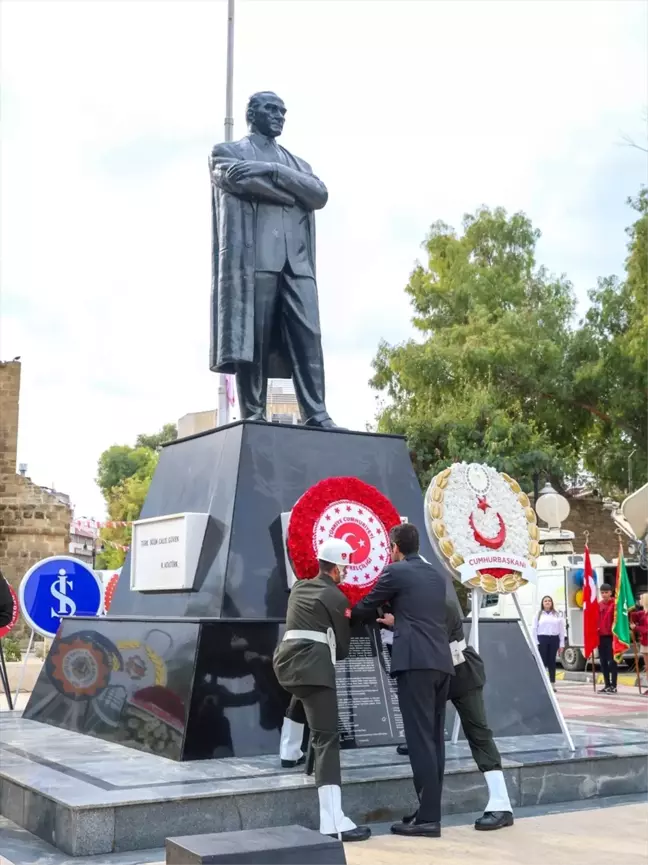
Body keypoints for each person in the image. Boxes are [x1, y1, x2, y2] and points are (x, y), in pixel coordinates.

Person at [209, 91, 336, 428]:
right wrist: (292, 195)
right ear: (252, 113)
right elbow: (235, 177)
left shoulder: (297, 163)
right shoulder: (228, 152)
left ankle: (317, 414)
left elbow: (319, 194)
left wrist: (274, 173)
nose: (280, 115)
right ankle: (253, 413)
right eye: (271, 109)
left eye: (283, 111)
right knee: (255, 339)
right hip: (256, 261)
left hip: (297, 264)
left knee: (309, 337)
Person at [352, 523, 454, 838]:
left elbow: (365, 606)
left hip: (415, 664)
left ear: (395, 547)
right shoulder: (436, 576)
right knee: (434, 741)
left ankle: (428, 820)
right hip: (441, 664)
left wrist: (353, 612)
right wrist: (401, 619)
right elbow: (422, 614)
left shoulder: (396, 572)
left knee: (419, 741)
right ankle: (427, 812)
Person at [273, 538, 370, 842]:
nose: (347, 572)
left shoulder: (300, 587)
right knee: (327, 738)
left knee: (303, 695)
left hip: (286, 664)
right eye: (346, 566)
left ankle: (289, 753)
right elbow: (340, 649)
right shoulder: (337, 598)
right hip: (316, 667)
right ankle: (333, 820)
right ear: (338, 566)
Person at [392, 597, 514, 831]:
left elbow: (431, 632)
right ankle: (426, 810)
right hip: (432, 674)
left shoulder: (438, 602)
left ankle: (502, 804)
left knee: (478, 734)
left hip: (460, 671)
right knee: (425, 740)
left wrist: (398, 622)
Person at [532, 596, 565, 691]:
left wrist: (561, 644)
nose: (547, 602)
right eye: (545, 601)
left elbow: (561, 630)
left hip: (553, 639)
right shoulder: (538, 615)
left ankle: (552, 683)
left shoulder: (557, 615)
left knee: (552, 662)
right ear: (542, 603)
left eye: (549, 601)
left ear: (552, 603)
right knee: (542, 662)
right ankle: (542, 683)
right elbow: (534, 629)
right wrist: (536, 642)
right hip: (542, 639)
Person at [598, 583, 618, 694]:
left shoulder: (615, 604)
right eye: (602, 593)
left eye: (606, 592)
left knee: (612, 662)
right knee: (603, 662)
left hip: (612, 637)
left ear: (611, 592)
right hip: (601, 637)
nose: (604, 594)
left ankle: (614, 685)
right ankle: (607, 685)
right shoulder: (599, 605)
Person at [630, 593, 648, 696]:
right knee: (647, 667)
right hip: (645, 643)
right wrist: (629, 608)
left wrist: (636, 628)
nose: (639, 600)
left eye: (641, 599)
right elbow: (633, 616)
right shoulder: (642, 613)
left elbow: (646, 630)